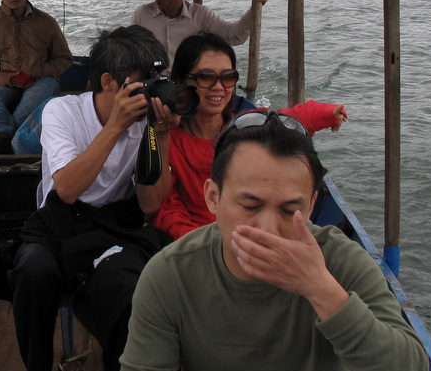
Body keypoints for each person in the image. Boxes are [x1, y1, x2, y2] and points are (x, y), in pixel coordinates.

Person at [86, 112, 429, 371]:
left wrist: (322, 290)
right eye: (249, 205)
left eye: (290, 210)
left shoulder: (340, 262)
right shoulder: (173, 273)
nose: (267, 228)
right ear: (213, 197)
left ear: (313, 204)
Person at [1, 25, 170, 371]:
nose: (148, 90)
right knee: (32, 270)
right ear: (109, 82)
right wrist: (115, 127)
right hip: (61, 221)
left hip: (115, 225)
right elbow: (67, 188)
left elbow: (150, 204)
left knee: (131, 286)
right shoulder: (62, 112)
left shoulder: (146, 122)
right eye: (141, 81)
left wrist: (161, 135)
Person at [139, 33, 347, 240]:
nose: (218, 86)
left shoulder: (244, 126)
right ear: (182, 81)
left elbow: (288, 118)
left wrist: (327, 113)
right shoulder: (168, 140)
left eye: (228, 77)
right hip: (199, 243)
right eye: (206, 77)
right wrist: (209, 245)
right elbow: (165, 209)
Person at [0, 0, 73, 154]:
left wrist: (36, 72)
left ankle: (2, 142)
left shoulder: (46, 22)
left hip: (42, 79)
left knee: (26, 107)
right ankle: (5, 137)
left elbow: (64, 59)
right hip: (8, 78)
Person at [129, 0, 267, 63]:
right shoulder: (142, 14)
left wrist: (255, 7)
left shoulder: (200, 16)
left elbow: (234, 35)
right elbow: (129, 50)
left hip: (187, 84)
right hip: (152, 84)